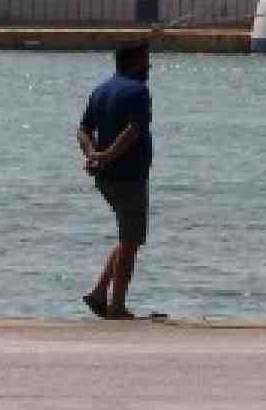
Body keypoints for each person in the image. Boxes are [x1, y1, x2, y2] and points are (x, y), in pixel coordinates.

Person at [76, 39, 152, 319]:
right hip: (128, 176)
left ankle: (99, 293)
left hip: (106, 178)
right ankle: (116, 306)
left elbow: (82, 129)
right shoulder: (139, 92)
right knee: (131, 241)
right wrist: (105, 155)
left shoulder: (101, 90)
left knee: (127, 236)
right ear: (133, 62)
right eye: (146, 60)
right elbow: (133, 131)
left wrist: (92, 153)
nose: (150, 65)